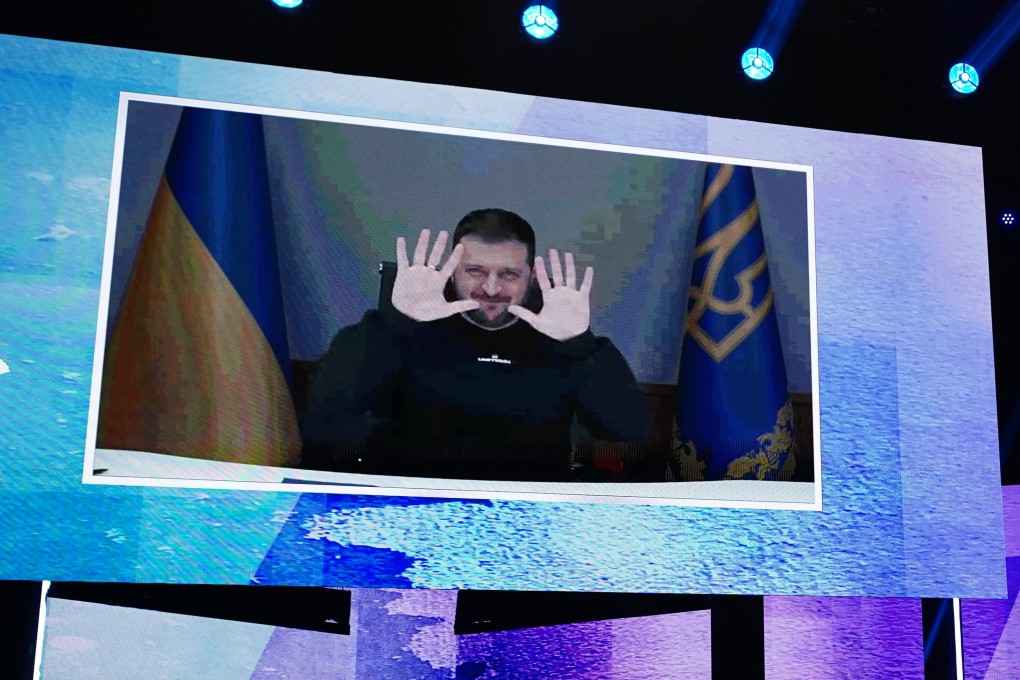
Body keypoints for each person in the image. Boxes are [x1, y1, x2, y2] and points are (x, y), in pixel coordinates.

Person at [300, 209, 652, 482]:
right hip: (416, 500)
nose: (492, 288)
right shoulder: (406, 327)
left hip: (525, 512)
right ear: (453, 270)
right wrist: (398, 322)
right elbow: (329, 405)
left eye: (509, 274)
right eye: (475, 271)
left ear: (531, 277)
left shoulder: (561, 336)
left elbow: (631, 430)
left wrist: (580, 343)